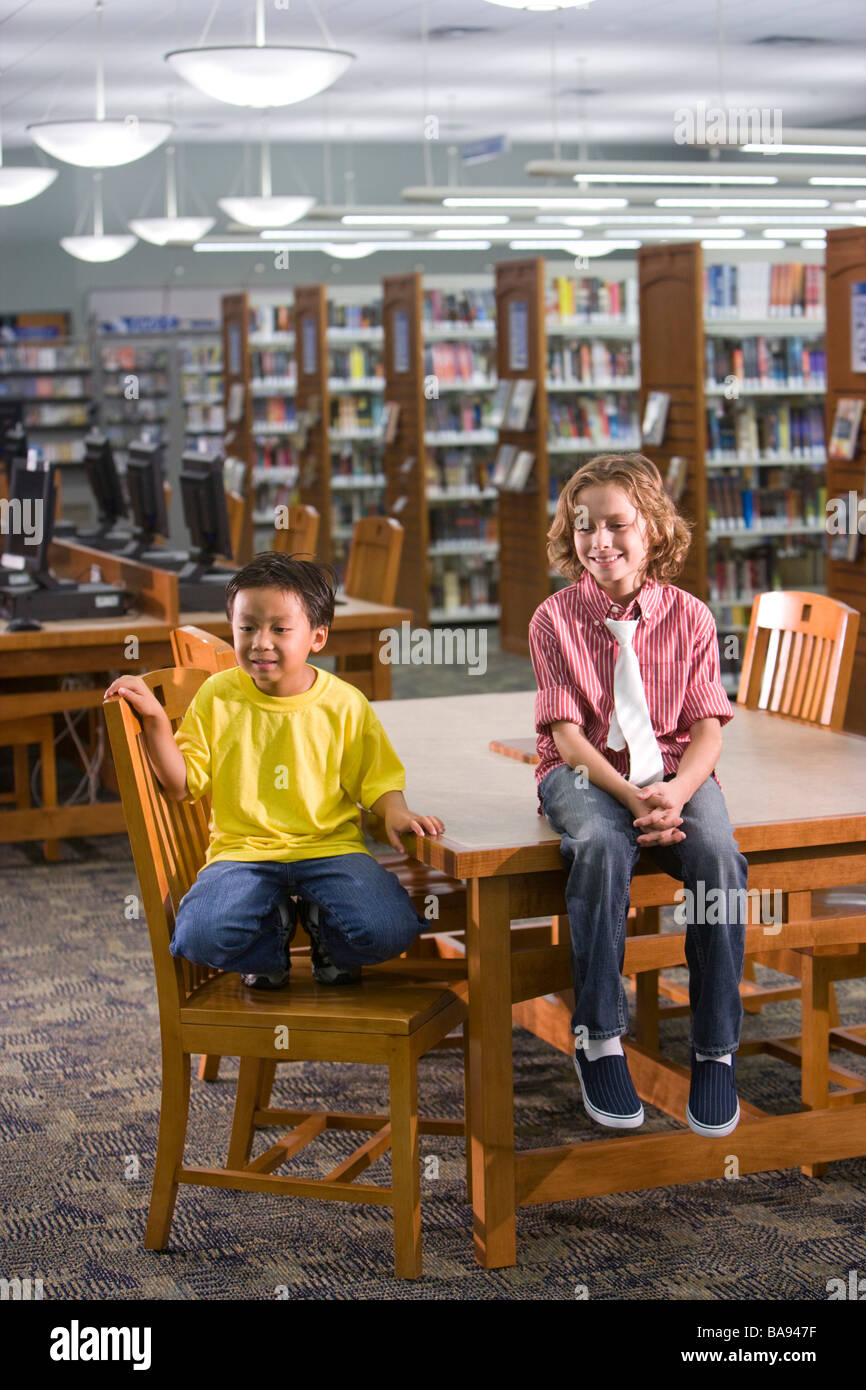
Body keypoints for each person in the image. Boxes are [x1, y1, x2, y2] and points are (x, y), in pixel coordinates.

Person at [529, 453, 748, 1138]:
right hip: (589, 773)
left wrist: (678, 793)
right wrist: (632, 797)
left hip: (676, 771)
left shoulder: (690, 616)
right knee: (597, 846)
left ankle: (715, 1048)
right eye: (585, 527)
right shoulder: (554, 619)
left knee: (719, 856)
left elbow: (709, 730)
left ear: (653, 528)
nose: (601, 541)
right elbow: (566, 738)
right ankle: (599, 1037)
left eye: (618, 524)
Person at [104, 552, 444, 989]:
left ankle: (326, 935)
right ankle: (270, 939)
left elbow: (377, 778)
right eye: (247, 627)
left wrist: (395, 810)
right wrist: (154, 721)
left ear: (317, 637)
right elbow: (180, 785)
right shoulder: (217, 695)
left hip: (331, 849)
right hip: (243, 855)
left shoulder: (344, 703)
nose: (260, 642)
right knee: (196, 936)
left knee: (391, 930)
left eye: (280, 629)